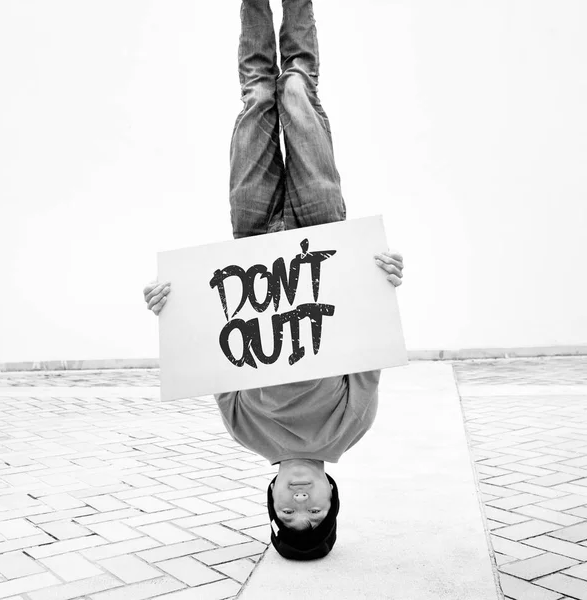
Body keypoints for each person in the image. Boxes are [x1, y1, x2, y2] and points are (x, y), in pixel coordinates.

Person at [143, 0, 404, 560]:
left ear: (271, 497)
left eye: (288, 513)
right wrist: (385, 274)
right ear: (334, 496)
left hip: (254, 239)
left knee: (260, 96)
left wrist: (170, 304)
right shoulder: (351, 426)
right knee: (294, 93)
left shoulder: (246, 432)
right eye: (315, 511)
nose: (301, 501)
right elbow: (367, 327)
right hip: (322, 231)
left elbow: (209, 343)